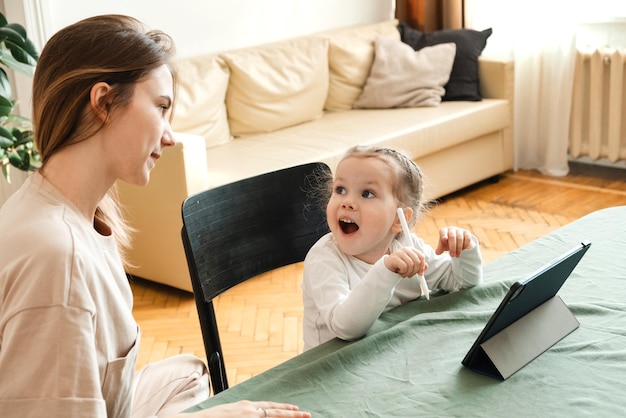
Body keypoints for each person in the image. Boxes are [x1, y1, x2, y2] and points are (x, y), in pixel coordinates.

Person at [0, 14, 310, 418]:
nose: (169, 135)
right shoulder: (59, 257)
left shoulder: (61, 210)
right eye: (161, 107)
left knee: (190, 374)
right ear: (103, 102)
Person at [302, 145, 483, 351]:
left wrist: (464, 250)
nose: (347, 202)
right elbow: (345, 327)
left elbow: (461, 282)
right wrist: (385, 271)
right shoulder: (324, 258)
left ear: (400, 219)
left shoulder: (409, 246)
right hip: (327, 367)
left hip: (389, 352)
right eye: (340, 190)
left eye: (367, 193)